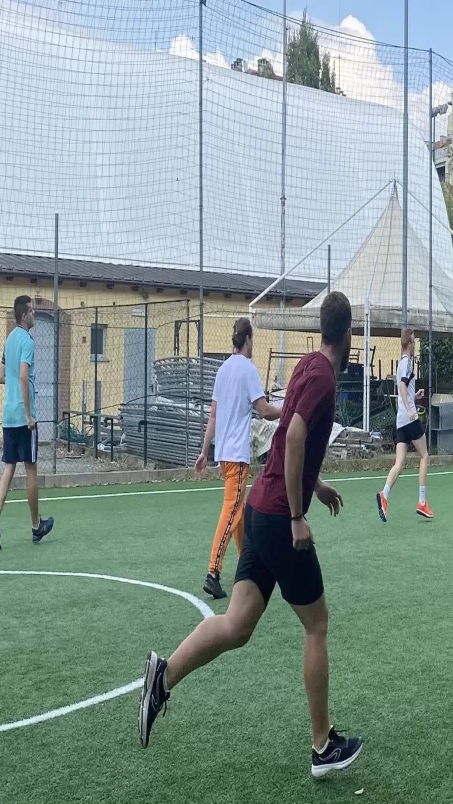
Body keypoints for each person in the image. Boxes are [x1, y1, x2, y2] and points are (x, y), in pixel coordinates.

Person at [139, 291, 363, 779]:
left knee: (238, 624)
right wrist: (300, 513)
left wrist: (315, 482)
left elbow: (283, 435)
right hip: (282, 516)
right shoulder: (325, 378)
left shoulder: (307, 365)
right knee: (317, 625)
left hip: (260, 507)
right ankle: (323, 746)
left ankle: (164, 675)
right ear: (348, 334)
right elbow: (297, 435)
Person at [195, 317, 282, 600]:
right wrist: (289, 408)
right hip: (237, 454)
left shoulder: (223, 370)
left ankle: (249, 566)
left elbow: (213, 414)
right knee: (231, 511)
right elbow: (264, 411)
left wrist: (205, 451)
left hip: (223, 454)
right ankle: (213, 571)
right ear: (248, 340)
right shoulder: (248, 370)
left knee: (238, 512)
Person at [0, 295, 54, 550]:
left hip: (7, 415)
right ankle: (36, 527)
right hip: (23, 418)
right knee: (31, 469)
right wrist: (28, 414)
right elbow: (24, 376)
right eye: (33, 312)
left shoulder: (9, 339)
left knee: (8, 468)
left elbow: (3, 376)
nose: (35, 315)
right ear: (24, 315)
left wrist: (15, 383)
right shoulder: (26, 340)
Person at [376, 328, 433, 522]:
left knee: (399, 464)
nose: (415, 345)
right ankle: (422, 502)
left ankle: (384, 494)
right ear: (409, 344)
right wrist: (411, 409)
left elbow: (404, 389)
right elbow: (401, 386)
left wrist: (413, 397)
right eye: (415, 342)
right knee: (424, 456)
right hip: (409, 418)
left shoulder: (401, 363)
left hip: (401, 420)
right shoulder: (408, 363)